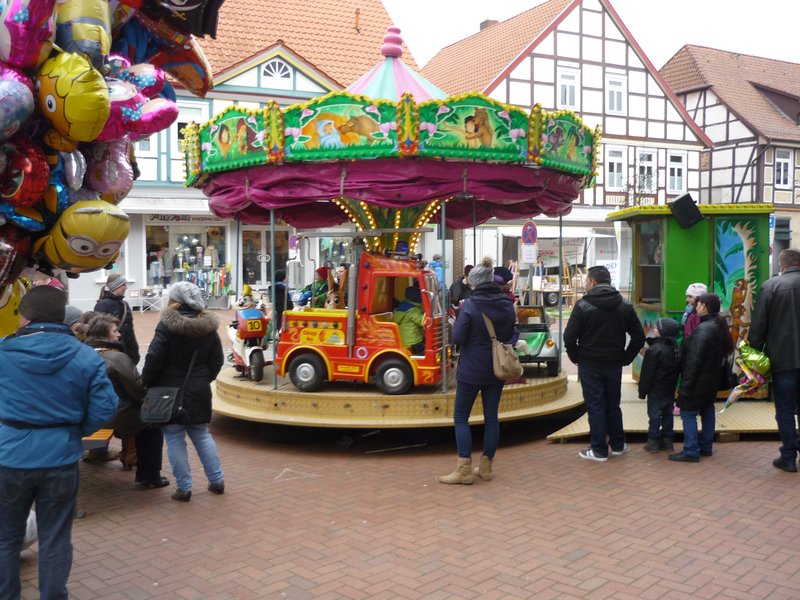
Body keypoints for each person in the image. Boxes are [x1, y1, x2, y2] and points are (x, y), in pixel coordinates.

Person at [0, 286, 118, 599]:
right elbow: (106, 407)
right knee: (55, 538)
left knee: (5, 538)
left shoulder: (2, 351)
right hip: (61, 457)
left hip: (10, 456)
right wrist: (76, 429)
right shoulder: (85, 355)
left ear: (23, 317)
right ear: (61, 317)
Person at [142, 282, 225, 502]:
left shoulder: (167, 326)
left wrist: (147, 382)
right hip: (198, 389)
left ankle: (184, 488)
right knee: (201, 434)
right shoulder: (208, 326)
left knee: (174, 438)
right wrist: (203, 379)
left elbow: (154, 359)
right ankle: (217, 480)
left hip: (169, 392)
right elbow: (217, 360)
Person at [439, 257, 519, 484]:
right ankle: (486, 466)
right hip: (497, 368)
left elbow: (458, 337)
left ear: (475, 283)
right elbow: (511, 333)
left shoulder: (471, 306)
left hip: (472, 369)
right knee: (491, 417)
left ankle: (464, 469)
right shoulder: (506, 303)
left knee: (461, 417)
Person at [563, 265, 645, 461]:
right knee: (612, 405)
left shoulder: (582, 306)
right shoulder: (624, 305)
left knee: (596, 406)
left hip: (589, 363)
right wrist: (625, 357)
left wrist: (576, 357)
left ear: (593, 282)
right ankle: (617, 445)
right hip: (614, 363)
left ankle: (599, 449)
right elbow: (639, 337)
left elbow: (569, 337)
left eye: (586, 281)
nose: (585, 285)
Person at [85, 314, 168, 487]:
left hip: (89, 413)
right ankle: (150, 477)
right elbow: (137, 390)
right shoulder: (116, 357)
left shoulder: (84, 354)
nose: (119, 335)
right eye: (115, 331)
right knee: (152, 424)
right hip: (114, 415)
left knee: (144, 420)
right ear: (104, 335)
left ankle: (135, 462)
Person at [748, 248, 800, 473]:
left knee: (785, 409)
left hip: (783, 359)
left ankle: (788, 456)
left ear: (782, 265)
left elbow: (758, 326)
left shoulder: (771, 287)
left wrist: (754, 355)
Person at [670, 293, 733, 462]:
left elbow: (694, 361)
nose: (695, 308)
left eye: (697, 305)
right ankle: (706, 446)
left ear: (704, 306)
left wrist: (686, 386)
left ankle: (690, 450)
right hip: (712, 380)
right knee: (707, 410)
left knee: (688, 413)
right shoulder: (719, 327)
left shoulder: (703, 330)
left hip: (698, 380)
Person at [638, 317, 681, 453]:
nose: (654, 329)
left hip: (656, 389)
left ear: (663, 332)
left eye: (657, 327)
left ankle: (653, 442)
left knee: (655, 415)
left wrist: (642, 391)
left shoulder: (655, 349)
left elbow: (647, 373)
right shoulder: (675, 349)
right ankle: (668, 441)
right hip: (669, 389)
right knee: (668, 415)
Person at [94, 273, 140, 365]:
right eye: (124, 285)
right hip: (113, 355)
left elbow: (130, 331)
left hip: (128, 353)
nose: (126, 288)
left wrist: (134, 352)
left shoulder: (125, 305)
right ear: (116, 286)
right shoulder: (102, 305)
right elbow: (100, 334)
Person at [393, 286, 425, 355]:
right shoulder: (413, 310)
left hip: (404, 341)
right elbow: (423, 322)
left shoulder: (400, 307)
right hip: (414, 341)